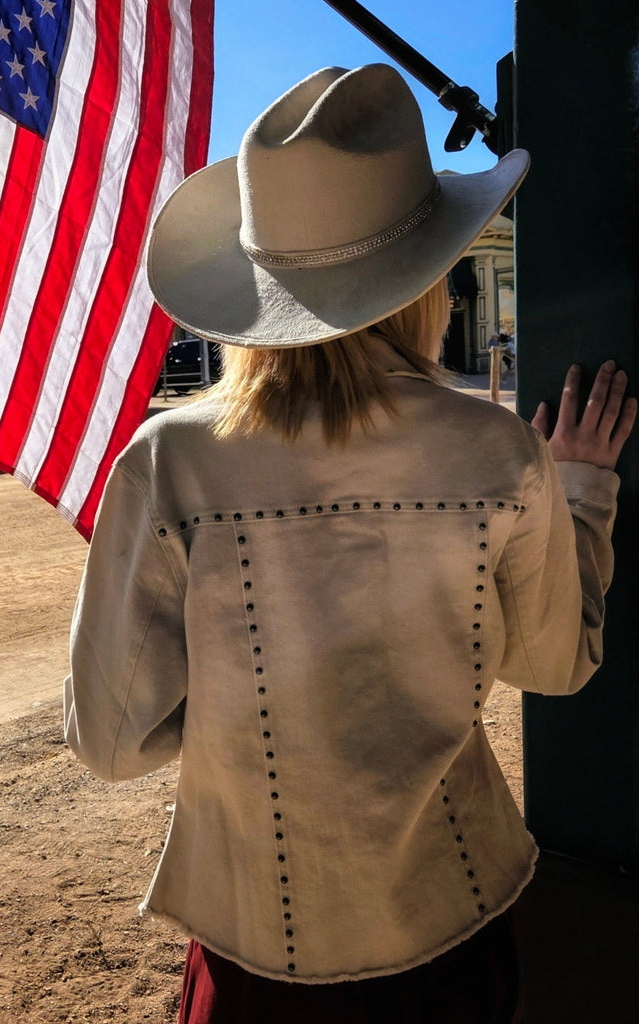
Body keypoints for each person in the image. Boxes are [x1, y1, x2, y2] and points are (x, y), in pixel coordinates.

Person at [63, 65, 635, 1023]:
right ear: (427, 281)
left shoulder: (168, 462)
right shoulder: (499, 453)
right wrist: (579, 490)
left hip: (248, 950)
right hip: (449, 928)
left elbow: (111, 741)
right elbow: (557, 660)